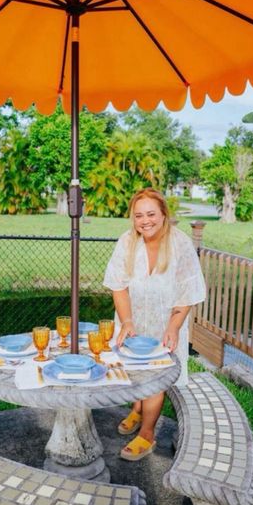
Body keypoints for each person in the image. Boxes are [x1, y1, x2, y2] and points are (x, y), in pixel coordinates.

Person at [103, 188, 206, 461]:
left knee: (155, 378)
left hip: (166, 324)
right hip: (132, 322)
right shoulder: (127, 241)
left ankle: (147, 434)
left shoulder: (180, 244)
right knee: (133, 373)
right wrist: (126, 321)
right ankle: (137, 409)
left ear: (163, 215)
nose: (145, 221)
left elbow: (188, 292)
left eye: (151, 214)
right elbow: (118, 286)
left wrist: (173, 328)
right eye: (139, 215)